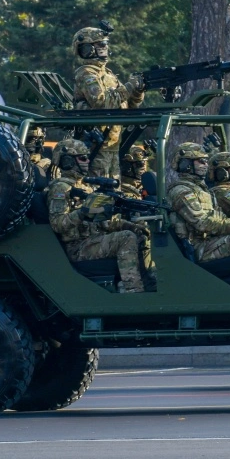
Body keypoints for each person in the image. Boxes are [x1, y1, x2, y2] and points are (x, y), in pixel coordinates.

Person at [47, 138, 149, 294]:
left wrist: (129, 224)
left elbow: (103, 221)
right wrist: (82, 213)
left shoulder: (86, 186)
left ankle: (149, 282)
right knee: (126, 238)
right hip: (78, 247)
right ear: (67, 161)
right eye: (82, 158)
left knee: (140, 234)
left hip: (93, 240)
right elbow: (58, 224)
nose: (88, 161)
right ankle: (133, 290)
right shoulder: (60, 188)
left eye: (88, 157)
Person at [167, 142, 230, 290]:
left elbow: (219, 219)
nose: (205, 165)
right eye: (200, 161)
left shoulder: (201, 190)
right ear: (185, 163)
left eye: (206, 161)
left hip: (209, 242)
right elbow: (203, 223)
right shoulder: (181, 191)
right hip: (198, 247)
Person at [70, 25, 145, 177]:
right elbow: (101, 104)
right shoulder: (87, 73)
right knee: (98, 191)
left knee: (113, 190)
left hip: (113, 145)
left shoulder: (108, 74)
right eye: (100, 45)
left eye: (105, 44)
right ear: (86, 49)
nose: (104, 48)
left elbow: (128, 105)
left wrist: (138, 90)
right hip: (95, 147)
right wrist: (130, 86)